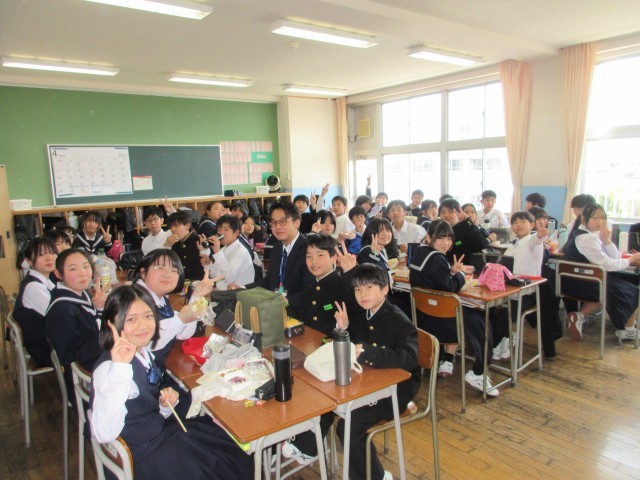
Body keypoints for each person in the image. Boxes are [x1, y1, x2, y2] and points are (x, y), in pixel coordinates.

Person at [90, 284, 253, 480]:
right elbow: (103, 433)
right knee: (219, 461)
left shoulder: (141, 351)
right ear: (111, 323)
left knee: (224, 444)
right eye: (131, 319)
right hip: (143, 460)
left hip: (156, 435)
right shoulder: (110, 369)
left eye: (148, 316)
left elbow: (140, 410)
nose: (142, 325)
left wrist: (164, 406)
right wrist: (119, 368)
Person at [283, 264, 419, 480]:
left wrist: (367, 352)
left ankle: (377, 476)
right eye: (357, 289)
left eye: (369, 287)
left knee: (349, 425)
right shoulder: (362, 315)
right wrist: (344, 328)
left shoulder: (398, 320)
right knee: (325, 397)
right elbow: (351, 345)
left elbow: (409, 358)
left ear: (385, 289)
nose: (362, 294)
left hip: (397, 388)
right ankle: (309, 447)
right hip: (368, 380)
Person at [409, 220, 498, 396]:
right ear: (429, 237)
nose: (446, 243)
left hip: (424, 321)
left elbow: (434, 279)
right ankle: (478, 372)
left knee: (467, 314)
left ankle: (448, 359)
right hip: (444, 325)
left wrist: (450, 272)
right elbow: (450, 287)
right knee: (482, 322)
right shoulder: (437, 257)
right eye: (440, 238)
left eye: (449, 238)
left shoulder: (420, 253)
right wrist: (461, 275)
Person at [562, 203, 640, 341]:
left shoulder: (587, 235)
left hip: (579, 282)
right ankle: (628, 330)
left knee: (617, 285)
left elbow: (615, 257)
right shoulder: (586, 239)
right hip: (583, 284)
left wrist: (606, 240)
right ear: (584, 218)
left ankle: (579, 316)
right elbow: (608, 264)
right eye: (595, 218)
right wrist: (631, 259)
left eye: (603, 218)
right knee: (632, 289)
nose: (600, 221)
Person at [132, 249, 216, 368]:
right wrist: (181, 319)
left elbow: (182, 334)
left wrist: (196, 296)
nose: (167, 274)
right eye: (160, 268)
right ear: (143, 272)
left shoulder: (160, 299)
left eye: (173, 270)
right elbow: (148, 343)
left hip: (158, 367)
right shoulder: (133, 300)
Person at [46, 248, 106, 399]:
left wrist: (99, 309)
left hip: (95, 361)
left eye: (86, 266)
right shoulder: (62, 310)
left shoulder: (82, 294)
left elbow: (93, 327)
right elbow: (71, 354)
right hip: (83, 378)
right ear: (59, 274)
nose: (82, 273)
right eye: (73, 269)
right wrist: (109, 341)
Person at [241, 201, 314, 319]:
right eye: (274, 222)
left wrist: (287, 300)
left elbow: (311, 291)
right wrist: (243, 288)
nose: (277, 227)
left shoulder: (309, 250)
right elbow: (268, 281)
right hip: (276, 312)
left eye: (283, 221)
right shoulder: (277, 249)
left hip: (300, 316)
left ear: (296, 223)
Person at [298, 234, 358, 335]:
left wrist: (352, 271)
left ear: (334, 257)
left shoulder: (345, 285)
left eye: (320, 255)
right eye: (308, 256)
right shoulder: (309, 285)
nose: (313, 261)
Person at [12, 238, 57, 367]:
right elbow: (58, 317)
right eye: (41, 254)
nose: (49, 258)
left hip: (46, 342)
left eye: (52, 252)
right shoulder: (34, 287)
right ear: (30, 261)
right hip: (45, 349)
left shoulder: (44, 280)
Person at [201, 215, 255, 290]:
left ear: (236, 232)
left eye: (226, 230)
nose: (221, 233)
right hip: (223, 292)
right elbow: (215, 275)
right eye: (219, 230)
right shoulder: (223, 249)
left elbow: (230, 277)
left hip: (239, 294)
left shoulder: (241, 251)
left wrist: (217, 252)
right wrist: (208, 264)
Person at [438, 198, 485, 264]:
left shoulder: (466, 227)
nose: (446, 215)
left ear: (458, 213)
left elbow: (479, 245)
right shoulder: (437, 230)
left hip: (462, 267)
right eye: (443, 212)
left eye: (450, 211)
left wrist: (468, 222)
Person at [167, 210, 205, 280]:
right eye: (171, 226)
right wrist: (168, 245)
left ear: (187, 226)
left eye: (176, 225)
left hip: (199, 281)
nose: (173, 229)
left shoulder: (199, 240)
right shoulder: (174, 244)